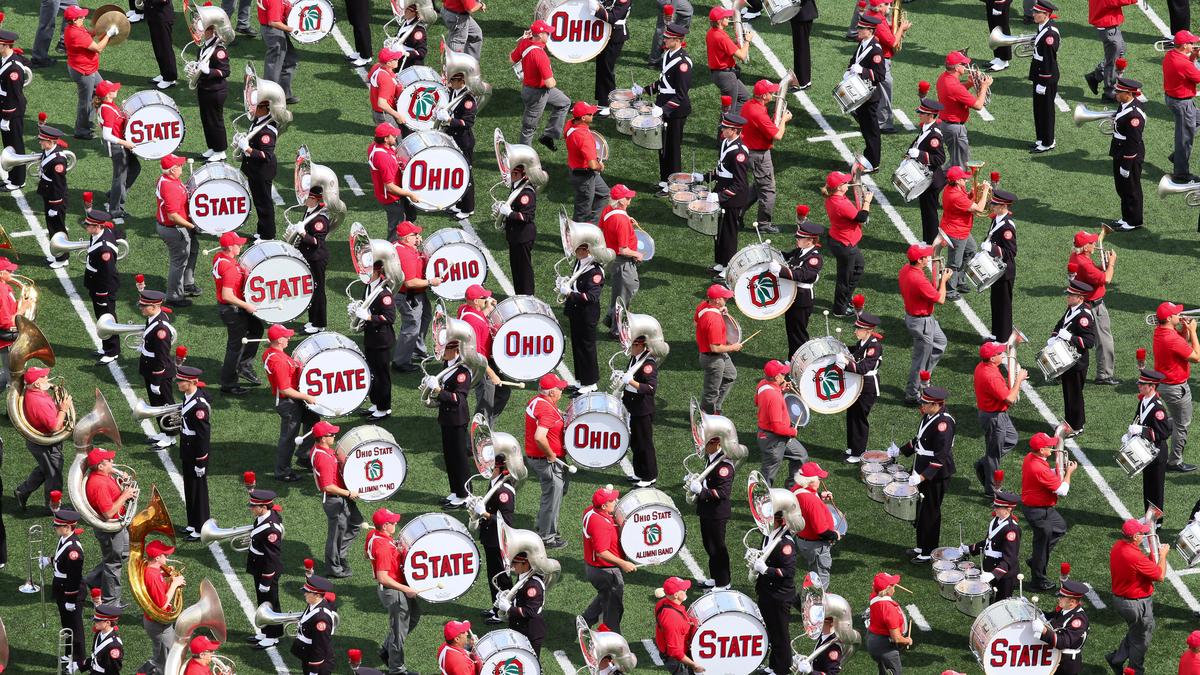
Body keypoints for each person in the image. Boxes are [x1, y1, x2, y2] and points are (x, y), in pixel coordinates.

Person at [896, 386, 955, 563]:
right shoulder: (929, 416)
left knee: (931, 512)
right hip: (922, 468)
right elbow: (919, 440)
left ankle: (929, 550)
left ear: (936, 404)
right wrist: (899, 451)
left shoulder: (944, 423)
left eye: (926, 402)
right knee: (921, 510)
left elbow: (941, 456)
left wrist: (922, 476)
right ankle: (921, 545)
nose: (922, 405)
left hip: (936, 474)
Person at [1108, 518, 1169, 674]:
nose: (1144, 534)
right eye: (1141, 533)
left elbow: (1140, 570)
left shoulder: (1118, 547)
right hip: (1135, 604)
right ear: (1134, 537)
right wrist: (1163, 555)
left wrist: (1150, 558)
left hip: (1123, 599)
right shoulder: (1133, 556)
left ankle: (1116, 658)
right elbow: (1160, 576)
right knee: (1140, 640)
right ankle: (1135, 671)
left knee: (1138, 631)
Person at [366, 507, 421, 674]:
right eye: (392, 522)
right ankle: (396, 669)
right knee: (399, 632)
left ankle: (386, 649)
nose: (396, 523)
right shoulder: (382, 546)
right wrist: (406, 588)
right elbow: (382, 577)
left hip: (396, 587)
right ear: (384, 526)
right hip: (394, 591)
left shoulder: (375, 535)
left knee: (413, 618)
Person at [1021, 430, 1077, 590]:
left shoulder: (1031, 458)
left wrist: (1059, 471)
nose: (1052, 448)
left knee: (1059, 527)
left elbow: (1046, 475)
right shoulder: (1038, 467)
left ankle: (1037, 559)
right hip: (1037, 512)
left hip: (1042, 508)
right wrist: (1069, 473)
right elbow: (1062, 490)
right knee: (1041, 546)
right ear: (1041, 450)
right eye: (1049, 446)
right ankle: (1038, 581)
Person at [262, 324, 319, 482]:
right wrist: (306, 397)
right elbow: (285, 389)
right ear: (279, 340)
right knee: (288, 438)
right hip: (290, 402)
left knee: (313, 421)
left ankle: (304, 455)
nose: (289, 338)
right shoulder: (278, 361)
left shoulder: (271, 353)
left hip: (294, 399)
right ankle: (282, 472)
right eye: (286, 337)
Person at [212, 231, 264, 396]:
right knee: (235, 347)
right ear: (229, 247)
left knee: (256, 329)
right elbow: (227, 295)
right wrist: (247, 306)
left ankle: (244, 365)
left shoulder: (220, 258)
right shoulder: (230, 268)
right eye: (238, 244)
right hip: (232, 309)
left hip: (230, 307)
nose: (241, 246)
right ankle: (228, 383)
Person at [422, 339, 473, 508]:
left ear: (455, 350)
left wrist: (437, 390)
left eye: (444, 349)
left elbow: (457, 399)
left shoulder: (462, 371)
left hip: (457, 419)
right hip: (446, 417)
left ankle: (465, 495)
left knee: (459, 458)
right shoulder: (447, 363)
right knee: (449, 456)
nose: (441, 352)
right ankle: (456, 490)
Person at [898, 243, 950, 404]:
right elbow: (940, 299)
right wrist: (944, 281)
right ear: (919, 260)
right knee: (920, 360)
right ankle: (912, 394)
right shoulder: (918, 279)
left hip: (923, 319)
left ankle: (924, 378)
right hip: (921, 323)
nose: (928, 258)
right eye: (926, 257)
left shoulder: (906, 269)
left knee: (940, 343)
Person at [973, 341, 1026, 497]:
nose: (1002, 354)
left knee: (1011, 439)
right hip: (994, 417)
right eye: (998, 353)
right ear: (991, 358)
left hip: (995, 414)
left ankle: (984, 463)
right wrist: (1019, 379)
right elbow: (1009, 398)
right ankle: (992, 491)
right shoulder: (990, 376)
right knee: (994, 455)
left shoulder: (982, 367)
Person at [15, 366, 71, 510]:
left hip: (41, 442)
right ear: (37, 383)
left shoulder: (35, 392)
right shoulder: (38, 403)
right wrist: (63, 409)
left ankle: (22, 491)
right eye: (43, 377)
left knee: (46, 468)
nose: (47, 378)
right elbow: (55, 427)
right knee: (54, 474)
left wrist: (57, 407)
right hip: (46, 443)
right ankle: (53, 507)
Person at [1153, 301, 1200, 472]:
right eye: (1176, 314)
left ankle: (1156, 429)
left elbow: (1180, 343)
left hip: (1165, 385)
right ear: (1168, 318)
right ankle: (1175, 462)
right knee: (1182, 424)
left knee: (1176, 419)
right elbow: (1196, 356)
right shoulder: (1171, 339)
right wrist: (1194, 332)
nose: (1179, 315)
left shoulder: (1160, 331)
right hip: (1175, 387)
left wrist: (1185, 330)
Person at [312, 421, 362, 577]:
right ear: (322, 438)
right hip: (336, 499)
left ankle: (340, 553)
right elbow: (327, 486)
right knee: (335, 536)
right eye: (331, 434)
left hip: (340, 496)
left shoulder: (323, 451)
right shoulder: (323, 458)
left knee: (356, 522)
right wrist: (348, 494)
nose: (334, 436)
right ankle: (334, 568)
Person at [583, 485, 637, 632]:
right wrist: (623, 563)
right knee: (614, 608)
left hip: (595, 567)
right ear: (604, 505)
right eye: (612, 500)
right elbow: (601, 552)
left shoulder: (590, 511)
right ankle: (612, 642)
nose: (616, 501)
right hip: (605, 571)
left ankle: (585, 621)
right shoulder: (601, 524)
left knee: (605, 596)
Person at [526, 373, 569, 548]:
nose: (562, 391)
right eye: (559, 389)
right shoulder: (546, 410)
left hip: (543, 458)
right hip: (547, 461)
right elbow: (539, 436)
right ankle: (547, 537)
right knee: (552, 498)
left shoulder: (538, 401)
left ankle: (544, 526)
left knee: (558, 492)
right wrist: (551, 454)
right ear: (551, 392)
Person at [1068, 230, 1117, 385]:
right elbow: (1107, 279)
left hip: (1080, 305)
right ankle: (1104, 375)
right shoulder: (1083, 263)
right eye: (1091, 243)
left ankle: (1061, 371)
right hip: (1093, 307)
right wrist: (1111, 263)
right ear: (1084, 247)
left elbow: (1095, 272)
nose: (1095, 244)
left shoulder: (1076, 257)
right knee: (1104, 341)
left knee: (1071, 339)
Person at [393, 221, 442, 371]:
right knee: (411, 326)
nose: (418, 236)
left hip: (415, 294)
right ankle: (400, 362)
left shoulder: (400, 245)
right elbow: (410, 282)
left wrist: (418, 246)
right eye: (415, 235)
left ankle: (417, 350)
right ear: (407, 238)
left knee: (425, 317)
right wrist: (431, 282)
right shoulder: (406, 254)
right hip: (409, 296)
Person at [740, 80, 789, 233]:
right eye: (771, 92)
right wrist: (784, 120)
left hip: (749, 151)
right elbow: (778, 135)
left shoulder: (749, 105)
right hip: (759, 156)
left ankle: (737, 212)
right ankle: (764, 225)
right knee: (768, 190)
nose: (774, 94)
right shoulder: (758, 113)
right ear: (763, 95)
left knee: (757, 186)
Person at [706, 113, 751, 274]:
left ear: (735, 130)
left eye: (726, 128)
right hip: (722, 191)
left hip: (733, 198)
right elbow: (722, 170)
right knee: (718, 231)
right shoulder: (725, 142)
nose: (723, 129)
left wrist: (719, 196)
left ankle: (729, 268)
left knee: (729, 233)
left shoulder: (739, 153)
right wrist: (705, 177)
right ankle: (720, 262)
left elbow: (739, 183)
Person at [823, 170, 872, 317]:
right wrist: (867, 201)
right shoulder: (840, 204)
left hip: (843, 241)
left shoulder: (834, 198)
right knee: (845, 278)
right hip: (844, 245)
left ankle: (845, 299)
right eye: (845, 182)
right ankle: (839, 309)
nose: (848, 183)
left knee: (858, 267)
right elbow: (862, 217)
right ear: (839, 187)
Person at [512, 22, 569, 148]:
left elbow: (511, 59)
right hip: (536, 94)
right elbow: (550, 83)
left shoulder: (525, 42)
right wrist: (553, 80)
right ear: (541, 35)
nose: (549, 35)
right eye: (547, 33)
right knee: (529, 128)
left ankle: (548, 136)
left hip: (532, 88)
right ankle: (523, 160)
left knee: (564, 102)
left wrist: (521, 41)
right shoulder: (540, 55)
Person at [64, 6, 117, 139]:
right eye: (81, 17)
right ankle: (81, 131)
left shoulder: (75, 28)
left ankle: (88, 123)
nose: (84, 18)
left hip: (87, 69)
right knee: (86, 101)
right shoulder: (76, 34)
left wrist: (102, 30)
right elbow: (98, 48)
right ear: (74, 20)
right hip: (84, 72)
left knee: (100, 91)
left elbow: (88, 33)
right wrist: (109, 35)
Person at [457, 285, 509, 421]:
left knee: (503, 393)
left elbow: (478, 319)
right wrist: (492, 375)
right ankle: (480, 436)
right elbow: (476, 356)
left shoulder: (464, 309)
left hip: (482, 360)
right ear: (475, 301)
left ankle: (486, 424)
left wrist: (486, 308)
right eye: (484, 298)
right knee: (485, 404)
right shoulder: (473, 322)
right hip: (481, 367)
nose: (487, 299)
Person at [754, 511, 796, 675]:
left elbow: (788, 571)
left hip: (779, 595)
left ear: (779, 521)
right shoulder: (768, 535)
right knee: (772, 631)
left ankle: (782, 669)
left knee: (781, 634)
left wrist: (766, 570)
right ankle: (774, 665)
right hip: (767, 591)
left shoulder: (786, 543)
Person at [773, 217, 824, 355]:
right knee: (791, 331)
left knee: (799, 334)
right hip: (793, 297)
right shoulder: (800, 251)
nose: (797, 239)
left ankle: (800, 363)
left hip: (802, 300)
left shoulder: (814, 258)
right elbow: (786, 256)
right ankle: (792, 359)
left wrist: (780, 270)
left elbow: (805, 275)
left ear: (810, 241)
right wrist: (771, 253)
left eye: (801, 238)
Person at [688, 435, 733, 589]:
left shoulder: (724, 466)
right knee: (709, 546)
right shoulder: (712, 457)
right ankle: (716, 578)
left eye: (706, 443)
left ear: (717, 443)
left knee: (718, 548)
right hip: (707, 510)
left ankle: (724, 582)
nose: (703, 445)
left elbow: (723, 493)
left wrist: (702, 491)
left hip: (717, 512)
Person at [475, 454, 515, 623]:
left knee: (501, 576)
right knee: (493, 574)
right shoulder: (494, 483)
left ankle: (505, 611)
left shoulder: (503, 490)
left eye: (489, 466)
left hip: (499, 539)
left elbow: (505, 521)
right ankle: (496, 605)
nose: (484, 468)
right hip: (490, 537)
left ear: (498, 468)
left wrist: (483, 513)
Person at [939, 165, 990, 299]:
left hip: (961, 229)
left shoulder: (954, 188)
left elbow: (966, 199)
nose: (966, 180)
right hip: (956, 232)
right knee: (954, 263)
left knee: (971, 251)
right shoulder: (955, 195)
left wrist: (972, 194)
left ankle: (960, 281)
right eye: (963, 178)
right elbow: (979, 208)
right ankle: (949, 290)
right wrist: (984, 192)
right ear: (956, 181)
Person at [1053, 279, 1097, 432]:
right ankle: (1069, 422)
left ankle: (1077, 426)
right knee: (1068, 393)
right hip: (1067, 358)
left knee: (1075, 395)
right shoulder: (1071, 308)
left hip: (1077, 362)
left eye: (1071, 295)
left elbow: (1090, 342)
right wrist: (1054, 335)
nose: (1068, 297)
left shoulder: (1084, 316)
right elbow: (1061, 323)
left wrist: (1070, 337)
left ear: (1080, 298)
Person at [560, 242, 604, 393]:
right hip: (576, 311)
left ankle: (591, 383)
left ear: (586, 250)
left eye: (577, 248)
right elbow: (578, 282)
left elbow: (592, 297)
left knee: (587, 348)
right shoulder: (580, 262)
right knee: (577, 346)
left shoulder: (595, 271)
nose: (573, 250)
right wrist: (568, 283)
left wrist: (570, 293)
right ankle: (581, 380)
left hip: (586, 315)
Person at [652, 23, 692, 188]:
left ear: (677, 40)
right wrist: (644, 90)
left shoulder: (683, 63)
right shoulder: (668, 54)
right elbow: (663, 82)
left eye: (668, 38)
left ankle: (673, 184)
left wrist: (664, 109)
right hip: (663, 108)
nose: (665, 39)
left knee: (673, 149)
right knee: (663, 146)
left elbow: (681, 94)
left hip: (676, 112)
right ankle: (664, 180)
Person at [755, 360, 808, 486]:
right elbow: (777, 427)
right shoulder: (774, 397)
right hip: (773, 439)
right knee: (768, 474)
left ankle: (792, 487)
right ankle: (761, 497)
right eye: (783, 374)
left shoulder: (763, 384)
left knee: (801, 455)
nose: (785, 376)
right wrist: (793, 431)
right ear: (776, 377)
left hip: (774, 436)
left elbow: (757, 401)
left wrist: (782, 390)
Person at [156, 153, 199, 307]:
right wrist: (192, 226)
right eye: (180, 165)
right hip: (175, 229)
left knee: (193, 250)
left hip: (177, 226)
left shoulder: (168, 179)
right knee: (179, 261)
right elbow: (173, 216)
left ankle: (187, 283)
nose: (182, 166)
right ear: (173, 170)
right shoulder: (170, 186)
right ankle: (174, 296)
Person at [599, 184, 643, 334]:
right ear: (620, 201)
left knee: (619, 293)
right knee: (625, 295)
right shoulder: (621, 221)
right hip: (623, 262)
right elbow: (623, 249)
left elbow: (602, 229)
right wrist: (637, 254)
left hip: (613, 259)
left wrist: (625, 219)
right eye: (627, 197)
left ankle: (611, 320)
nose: (630, 200)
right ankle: (617, 330)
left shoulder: (608, 210)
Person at [936, 51, 992, 170]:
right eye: (963, 64)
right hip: (955, 129)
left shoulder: (944, 77)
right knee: (961, 166)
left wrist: (969, 83)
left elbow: (955, 92)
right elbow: (978, 105)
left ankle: (940, 178)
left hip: (947, 124)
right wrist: (984, 86)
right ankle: (948, 185)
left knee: (954, 161)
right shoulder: (954, 86)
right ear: (957, 67)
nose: (966, 67)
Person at [138, 289, 178, 449]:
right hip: (150, 369)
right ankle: (164, 431)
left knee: (166, 404)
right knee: (156, 404)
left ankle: (171, 436)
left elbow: (161, 357)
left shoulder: (161, 330)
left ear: (154, 306)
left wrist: (156, 381)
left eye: (144, 306)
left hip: (159, 373)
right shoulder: (153, 318)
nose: (141, 308)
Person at [963, 491, 1021, 601]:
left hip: (1003, 575)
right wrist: (969, 549)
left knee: (1000, 605)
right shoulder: (995, 520)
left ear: (1008, 509)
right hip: (989, 567)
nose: (995, 509)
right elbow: (987, 542)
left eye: (998, 507)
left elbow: (1010, 559)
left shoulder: (1011, 529)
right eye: (995, 506)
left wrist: (994, 574)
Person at [139, 538, 186, 675]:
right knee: (167, 660)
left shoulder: (154, 570)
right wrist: (174, 584)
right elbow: (162, 604)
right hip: (158, 624)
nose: (167, 557)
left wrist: (168, 578)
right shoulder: (152, 576)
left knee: (165, 656)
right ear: (157, 557)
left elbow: (159, 592)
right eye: (165, 555)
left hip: (158, 622)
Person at [245, 488, 284, 650]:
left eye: (254, 506)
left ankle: (272, 636)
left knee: (270, 603)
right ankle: (265, 631)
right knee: (263, 601)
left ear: (264, 507)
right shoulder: (263, 518)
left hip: (266, 570)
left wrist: (267, 579)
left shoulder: (271, 529)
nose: (251, 508)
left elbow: (272, 557)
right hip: (259, 565)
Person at [95, 80, 140, 219]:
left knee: (135, 168)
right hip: (117, 147)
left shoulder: (109, 105)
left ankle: (114, 194)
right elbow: (107, 135)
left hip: (121, 144)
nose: (117, 90)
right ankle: (115, 209)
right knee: (119, 178)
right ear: (108, 94)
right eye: (113, 89)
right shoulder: (107, 109)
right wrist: (125, 143)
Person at [1130, 368, 1172, 518]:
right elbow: (1137, 420)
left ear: (1152, 387)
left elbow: (1164, 433)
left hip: (1157, 452)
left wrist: (1141, 431)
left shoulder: (1158, 408)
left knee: (1156, 487)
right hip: (1146, 451)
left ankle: (1156, 519)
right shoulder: (1143, 401)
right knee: (1147, 486)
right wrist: (1129, 434)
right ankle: (1147, 514)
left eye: (1143, 384)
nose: (1139, 386)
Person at [694, 284, 742, 414]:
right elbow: (715, 348)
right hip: (713, 359)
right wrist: (733, 347)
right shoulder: (714, 320)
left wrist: (719, 311)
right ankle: (707, 416)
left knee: (730, 375)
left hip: (711, 354)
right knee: (711, 391)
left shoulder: (703, 306)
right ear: (716, 300)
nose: (726, 300)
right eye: (724, 298)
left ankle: (716, 407)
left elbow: (696, 322)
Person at [81, 209, 121, 364]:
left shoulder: (105, 250)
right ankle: (107, 347)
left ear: (97, 226)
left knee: (107, 318)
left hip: (102, 286)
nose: (87, 228)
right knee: (101, 317)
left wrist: (103, 293)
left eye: (89, 226)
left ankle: (112, 351)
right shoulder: (101, 233)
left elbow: (107, 273)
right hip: (96, 283)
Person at [843, 311, 883, 463]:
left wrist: (846, 363)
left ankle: (859, 452)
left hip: (868, 386)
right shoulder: (862, 343)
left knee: (859, 418)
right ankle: (852, 447)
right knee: (852, 415)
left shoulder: (874, 347)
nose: (855, 331)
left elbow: (862, 368)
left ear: (868, 331)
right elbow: (854, 350)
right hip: (857, 384)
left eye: (858, 329)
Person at [791, 462, 839, 589]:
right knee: (821, 579)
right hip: (816, 545)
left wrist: (819, 496)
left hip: (803, 541)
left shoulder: (797, 488)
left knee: (813, 573)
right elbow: (822, 531)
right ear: (811, 481)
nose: (820, 480)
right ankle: (818, 603)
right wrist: (835, 535)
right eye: (818, 478)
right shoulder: (812, 502)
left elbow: (804, 507)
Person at [237, 99, 280, 241]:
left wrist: (247, 148)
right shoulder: (259, 120)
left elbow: (266, 155)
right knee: (259, 202)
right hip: (255, 169)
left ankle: (268, 236)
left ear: (263, 108)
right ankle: (262, 231)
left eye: (254, 106)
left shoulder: (268, 129)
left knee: (264, 203)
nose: (250, 108)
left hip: (262, 171)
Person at [863, 0, 908, 133]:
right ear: (879, 6)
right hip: (881, 61)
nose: (891, 6)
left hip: (872, 59)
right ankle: (884, 124)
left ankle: (864, 113)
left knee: (875, 90)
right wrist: (901, 28)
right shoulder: (878, 20)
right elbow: (893, 42)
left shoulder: (870, 14)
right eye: (887, 4)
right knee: (885, 91)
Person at [177, 365, 210, 539]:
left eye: (182, 381)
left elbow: (203, 436)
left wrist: (201, 461)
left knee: (199, 491)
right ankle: (192, 523)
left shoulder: (199, 407)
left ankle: (201, 527)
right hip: (187, 448)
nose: (178, 383)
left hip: (196, 452)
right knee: (189, 487)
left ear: (192, 382)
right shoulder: (188, 396)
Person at [1108, 78, 1145, 232]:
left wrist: (1126, 164)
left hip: (1128, 154)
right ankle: (1126, 217)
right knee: (1122, 188)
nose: (1116, 93)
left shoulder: (1134, 116)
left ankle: (1134, 221)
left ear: (1128, 94)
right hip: (1120, 150)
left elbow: (1133, 142)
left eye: (1119, 92)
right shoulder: (1125, 105)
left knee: (1131, 188)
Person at [847, 16, 885, 169]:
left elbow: (880, 75)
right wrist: (849, 70)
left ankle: (873, 163)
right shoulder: (863, 43)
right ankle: (868, 156)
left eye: (862, 28)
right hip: (861, 93)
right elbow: (854, 60)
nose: (858, 30)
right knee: (865, 129)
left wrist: (863, 71)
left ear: (870, 31)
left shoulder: (875, 49)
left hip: (870, 97)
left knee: (871, 131)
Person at [51, 508, 86, 672]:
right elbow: (60, 559)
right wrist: (49, 560)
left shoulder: (74, 550)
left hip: (70, 592)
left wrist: (71, 600)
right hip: (62, 589)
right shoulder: (65, 539)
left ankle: (78, 660)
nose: (55, 528)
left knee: (75, 628)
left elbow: (74, 577)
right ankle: (69, 653)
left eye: (58, 526)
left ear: (68, 527)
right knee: (67, 625)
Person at [1030, 579, 1090, 675]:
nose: (1059, 598)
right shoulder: (1065, 609)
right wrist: (1034, 611)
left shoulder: (1078, 620)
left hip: (1066, 664)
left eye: (1062, 597)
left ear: (1072, 601)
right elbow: (1050, 617)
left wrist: (1044, 630)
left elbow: (1063, 642)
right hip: (1055, 658)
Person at [906, 97, 945, 245]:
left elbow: (940, 158)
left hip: (932, 180)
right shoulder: (926, 128)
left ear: (931, 116)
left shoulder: (934, 134)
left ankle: (932, 243)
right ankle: (927, 240)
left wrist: (921, 155)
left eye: (922, 113)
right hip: (924, 178)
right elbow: (918, 142)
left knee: (930, 213)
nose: (919, 115)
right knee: (925, 211)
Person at [621, 335, 658, 487]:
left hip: (642, 409)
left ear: (640, 345)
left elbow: (650, 388)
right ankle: (639, 472)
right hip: (633, 406)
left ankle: (649, 476)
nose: (629, 348)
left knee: (644, 444)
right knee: (636, 443)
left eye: (632, 345)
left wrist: (630, 381)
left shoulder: (647, 364)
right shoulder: (635, 358)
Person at [981, 188, 1018, 342]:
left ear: (1003, 206)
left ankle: (1003, 339)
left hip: (1005, 272)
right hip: (996, 269)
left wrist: (992, 248)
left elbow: (1011, 252)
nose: (992, 206)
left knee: (1003, 305)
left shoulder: (1007, 226)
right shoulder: (997, 219)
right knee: (995, 303)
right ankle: (996, 334)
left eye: (995, 205)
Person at [1164, 30, 1200, 184]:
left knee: (1188, 130)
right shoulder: (1183, 63)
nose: (1194, 44)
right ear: (1184, 45)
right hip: (1182, 104)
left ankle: (1177, 157)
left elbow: (1188, 69)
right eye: (1191, 43)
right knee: (1184, 140)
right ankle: (1181, 174)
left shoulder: (1170, 55)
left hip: (1175, 100)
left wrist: (1193, 56)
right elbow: (1197, 77)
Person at [361, 260, 396, 418]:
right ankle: (376, 403)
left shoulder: (384, 292)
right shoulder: (369, 286)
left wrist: (368, 317)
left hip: (382, 340)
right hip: (371, 337)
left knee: (382, 375)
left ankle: (384, 408)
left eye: (367, 270)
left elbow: (389, 317)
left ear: (376, 271)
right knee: (373, 372)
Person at [370, 123, 420, 235]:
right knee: (397, 230)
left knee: (409, 218)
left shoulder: (375, 146)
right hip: (392, 198)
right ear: (385, 139)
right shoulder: (383, 158)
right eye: (393, 135)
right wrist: (410, 194)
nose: (396, 136)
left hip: (394, 194)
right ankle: (394, 249)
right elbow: (390, 187)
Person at [565, 101, 609, 223]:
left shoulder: (570, 124)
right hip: (584, 176)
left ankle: (592, 225)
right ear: (583, 118)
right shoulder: (584, 137)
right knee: (582, 211)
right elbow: (593, 165)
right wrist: (600, 166)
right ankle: (576, 239)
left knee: (604, 193)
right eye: (590, 114)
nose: (593, 115)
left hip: (576, 168)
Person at [441, 72, 478, 221]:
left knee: (466, 174)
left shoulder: (468, 99)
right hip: (452, 138)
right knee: (455, 172)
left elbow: (467, 123)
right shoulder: (452, 93)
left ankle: (468, 208)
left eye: (453, 80)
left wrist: (449, 120)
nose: (450, 83)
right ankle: (459, 202)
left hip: (463, 141)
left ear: (461, 81)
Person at [195, 14, 231, 162]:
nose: (199, 30)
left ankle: (221, 151)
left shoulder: (218, 50)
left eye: (203, 28)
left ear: (212, 30)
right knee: (206, 120)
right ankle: (213, 147)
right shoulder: (205, 46)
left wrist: (208, 71)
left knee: (215, 121)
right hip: (205, 88)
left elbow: (225, 71)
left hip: (215, 91)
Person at [294, 185, 329, 334]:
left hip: (316, 258)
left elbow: (317, 242)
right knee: (311, 289)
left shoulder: (319, 218)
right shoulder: (310, 211)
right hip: (309, 257)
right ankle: (313, 319)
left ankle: (319, 324)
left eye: (307, 197)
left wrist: (303, 234)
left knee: (318, 290)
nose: (303, 198)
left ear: (314, 199)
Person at [498, 164, 537, 295]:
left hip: (523, 236)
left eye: (514, 173)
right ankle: (519, 294)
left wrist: (509, 213)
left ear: (522, 174)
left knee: (524, 269)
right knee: (516, 268)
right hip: (515, 235)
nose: (511, 176)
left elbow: (527, 216)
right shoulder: (517, 186)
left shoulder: (527, 192)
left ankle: (528, 295)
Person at [36, 125, 72, 268]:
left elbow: (59, 185)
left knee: (57, 228)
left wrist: (55, 205)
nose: (40, 142)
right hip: (49, 194)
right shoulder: (48, 151)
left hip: (55, 198)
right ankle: (57, 254)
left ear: (50, 142)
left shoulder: (58, 162)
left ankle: (62, 258)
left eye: (42, 140)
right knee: (52, 227)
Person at [1085, 0, 1134, 100]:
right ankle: (1109, 93)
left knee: (1121, 50)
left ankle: (1096, 75)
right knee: (1113, 61)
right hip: (1108, 26)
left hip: (1107, 24)